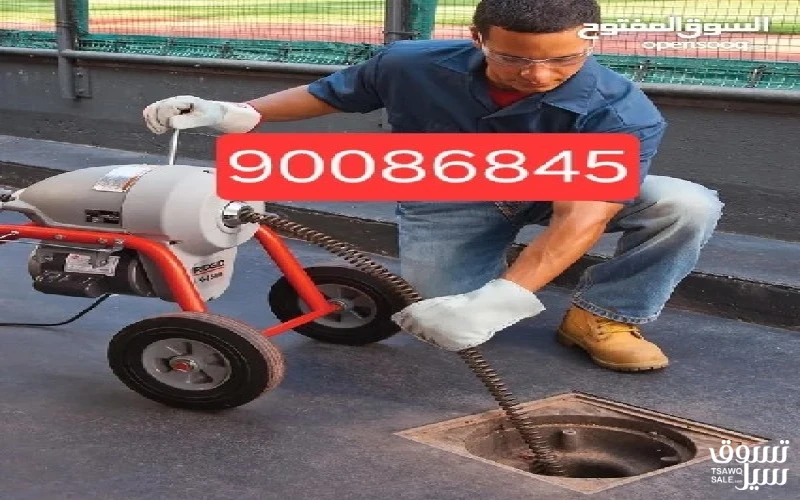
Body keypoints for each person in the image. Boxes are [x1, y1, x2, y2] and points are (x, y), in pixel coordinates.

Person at [142, 0, 724, 372]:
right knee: (439, 315)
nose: (538, 75)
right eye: (514, 59)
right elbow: (330, 94)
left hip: (562, 192)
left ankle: (602, 315)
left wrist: (501, 301)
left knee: (685, 205)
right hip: (451, 194)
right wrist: (236, 113)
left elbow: (583, 215)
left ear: (589, 43)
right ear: (478, 38)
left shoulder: (619, 111)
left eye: (564, 60)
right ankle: (482, 277)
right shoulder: (411, 64)